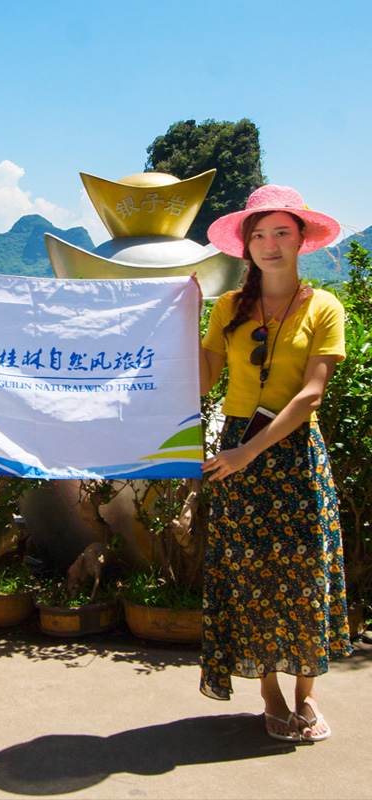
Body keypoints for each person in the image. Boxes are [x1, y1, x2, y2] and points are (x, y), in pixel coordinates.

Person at [197, 185, 352, 743]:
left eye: (281, 231)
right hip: (239, 444)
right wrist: (179, 319)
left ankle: (306, 695)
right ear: (246, 246)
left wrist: (245, 453)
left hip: (292, 451)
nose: (269, 243)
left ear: (302, 238)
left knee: (308, 570)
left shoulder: (324, 306)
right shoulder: (227, 309)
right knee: (248, 570)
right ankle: (269, 692)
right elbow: (200, 379)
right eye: (258, 234)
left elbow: (312, 394)